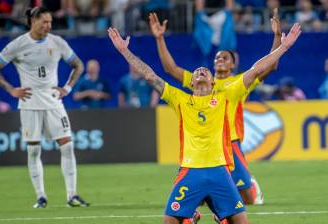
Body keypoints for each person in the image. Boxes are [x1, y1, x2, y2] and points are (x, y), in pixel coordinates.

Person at [108, 22, 301, 224]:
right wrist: (124, 51)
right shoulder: (179, 99)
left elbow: (256, 69)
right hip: (190, 171)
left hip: (220, 171)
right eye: (197, 71)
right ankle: (193, 216)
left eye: (205, 71)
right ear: (190, 82)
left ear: (212, 82)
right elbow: (150, 75)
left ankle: (209, 215)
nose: (201, 71)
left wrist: (284, 46)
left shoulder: (227, 95)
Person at [149, 8, 282, 209]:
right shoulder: (202, 81)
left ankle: (250, 186)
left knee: (247, 199)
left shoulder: (239, 82)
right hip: (205, 146)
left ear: (233, 65)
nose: (219, 60)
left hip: (230, 143)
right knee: (200, 200)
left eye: (224, 58)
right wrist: (160, 39)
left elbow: (270, 66)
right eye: (217, 58)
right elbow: (171, 69)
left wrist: (277, 36)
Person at [0, 6, 89, 208]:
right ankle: (41, 197)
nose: (48, 25)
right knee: (34, 151)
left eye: (50, 22)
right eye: (45, 22)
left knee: (67, 146)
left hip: (53, 102)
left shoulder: (57, 42)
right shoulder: (18, 44)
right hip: (30, 103)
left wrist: (67, 88)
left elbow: (78, 64)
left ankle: (72, 195)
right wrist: (11, 90)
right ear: (33, 22)